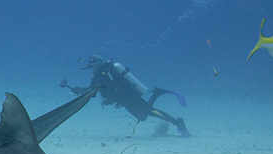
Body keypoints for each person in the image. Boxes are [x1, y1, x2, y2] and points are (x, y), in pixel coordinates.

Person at [60, 54, 190, 136]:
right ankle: (159, 97)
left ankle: (176, 121)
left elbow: (100, 88)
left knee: (147, 112)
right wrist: (74, 89)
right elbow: (97, 89)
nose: (89, 62)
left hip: (128, 97)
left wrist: (76, 90)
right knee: (144, 114)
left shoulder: (102, 73)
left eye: (92, 60)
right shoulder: (100, 73)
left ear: (98, 62)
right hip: (126, 98)